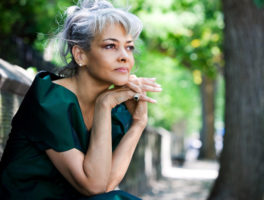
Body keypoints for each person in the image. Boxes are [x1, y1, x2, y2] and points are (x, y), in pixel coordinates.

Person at [0, 0, 162, 199]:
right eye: (111, 46)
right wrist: (103, 105)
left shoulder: (116, 107)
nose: (124, 57)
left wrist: (138, 123)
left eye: (129, 47)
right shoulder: (50, 100)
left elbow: (107, 184)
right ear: (80, 55)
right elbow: (93, 187)